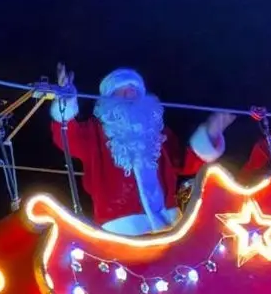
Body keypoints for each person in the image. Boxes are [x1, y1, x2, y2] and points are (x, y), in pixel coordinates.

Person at [49, 63, 234, 236]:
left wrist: (210, 134)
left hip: (168, 223)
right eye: (123, 91)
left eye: (135, 91)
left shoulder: (158, 134)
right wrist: (65, 102)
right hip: (122, 228)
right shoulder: (94, 131)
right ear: (109, 100)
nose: (131, 94)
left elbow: (185, 164)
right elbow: (66, 136)